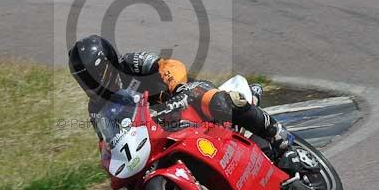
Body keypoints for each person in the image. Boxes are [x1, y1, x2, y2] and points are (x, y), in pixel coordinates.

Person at [68, 35, 292, 159]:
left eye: (94, 75)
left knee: (219, 101)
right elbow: (106, 141)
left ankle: (276, 134)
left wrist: (177, 89)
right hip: (161, 132)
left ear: (108, 64)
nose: (91, 83)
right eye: (84, 79)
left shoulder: (131, 63)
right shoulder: (96, 108)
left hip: (187, 100)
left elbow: (170, 65)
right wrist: (108, 154)